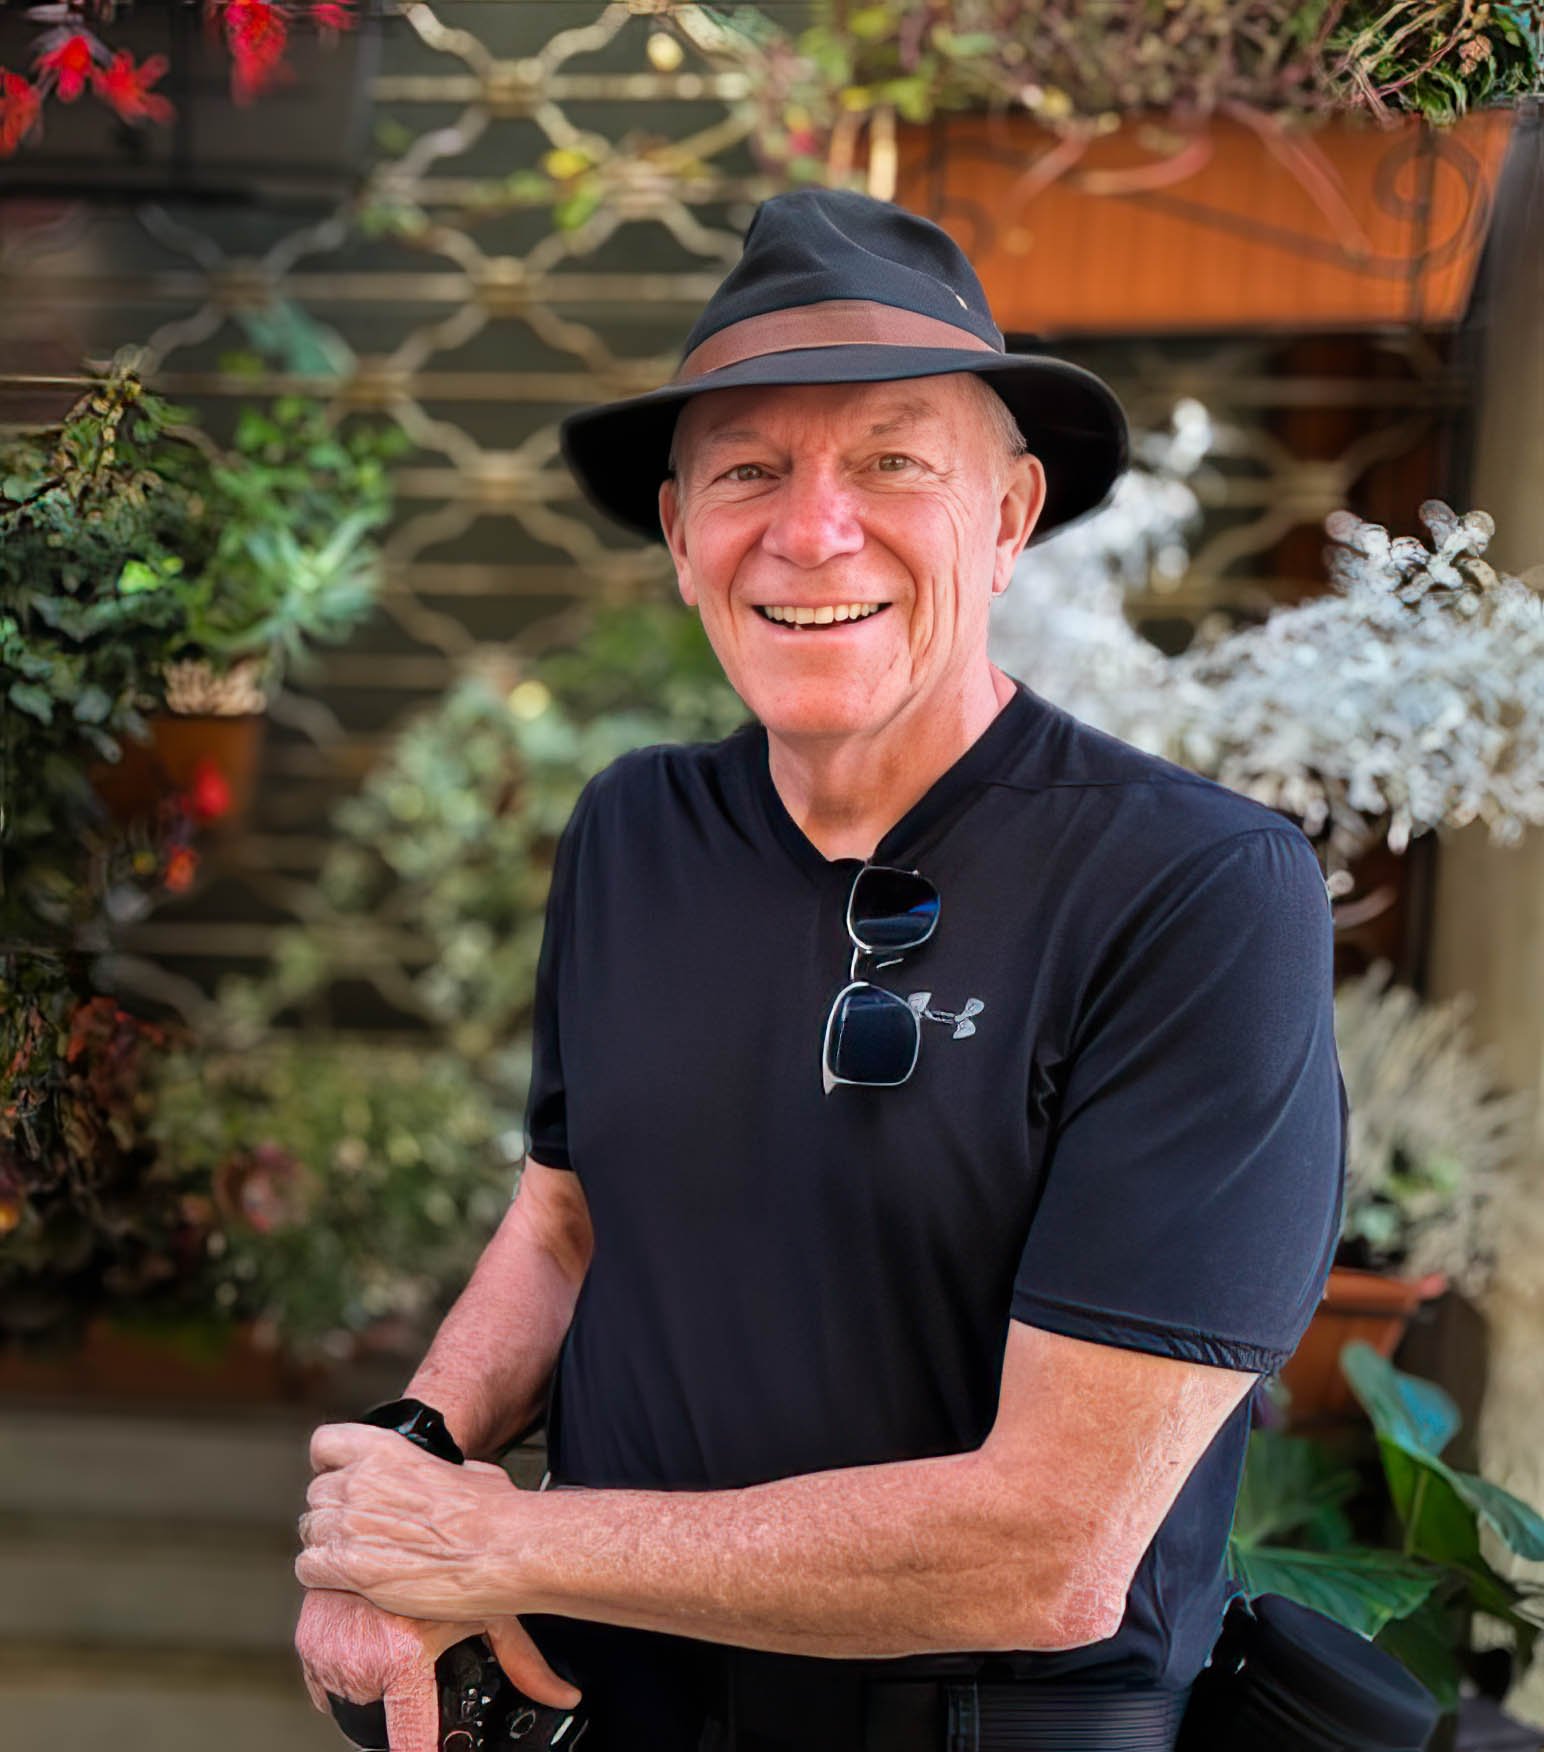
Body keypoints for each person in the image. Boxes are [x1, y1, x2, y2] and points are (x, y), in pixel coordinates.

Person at [293, 188, 1347, 1752]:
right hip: (605, 1705)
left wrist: (492, 1545)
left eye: (893, 462)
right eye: (749, 472)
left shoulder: (1195, 892)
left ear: (1008, 518)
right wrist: (412, 1460)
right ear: (679, 536)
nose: (811, 529)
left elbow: (1049, 1552)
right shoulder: (635, 830)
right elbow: (568, 1220)